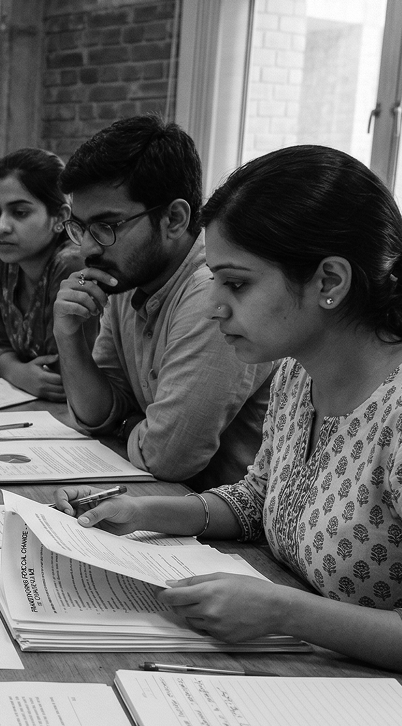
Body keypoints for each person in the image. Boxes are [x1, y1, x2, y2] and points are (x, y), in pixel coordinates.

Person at [55, 145, 402, 670]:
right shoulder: (296, 370)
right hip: (299, 665)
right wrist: (145, 511)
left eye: (236, 283)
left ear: (329, 281)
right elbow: (257, 501)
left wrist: (286, 611)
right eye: (215, 278)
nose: (215, 304)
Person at [52, 116, 274, 491]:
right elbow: (100, 415)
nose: (88, 248)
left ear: (174, 218)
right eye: (81, 228)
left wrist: (127, 424)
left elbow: (169, 458)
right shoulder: (127, 276)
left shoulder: (212, 293)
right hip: (162, 505)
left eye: (107, 226)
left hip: (230, 534)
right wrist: (69, 337)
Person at [0, 148, 93, 401]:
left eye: (20, 213)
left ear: (60, 217)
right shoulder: (1, 261)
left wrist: (15, 370)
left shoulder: (72, 266)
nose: (2, 227)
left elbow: (62, 376)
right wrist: (18, 372)